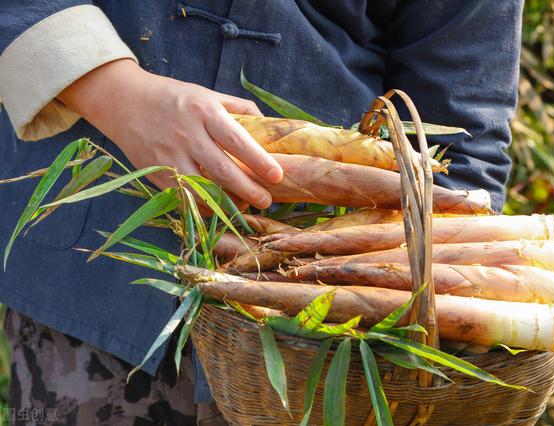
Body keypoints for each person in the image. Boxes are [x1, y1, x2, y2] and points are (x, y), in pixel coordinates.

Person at [0, 1, 524, 424]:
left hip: (329, 337)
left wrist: (438, 314)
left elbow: (461, 121)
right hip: (95, 280)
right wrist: (118, 94)